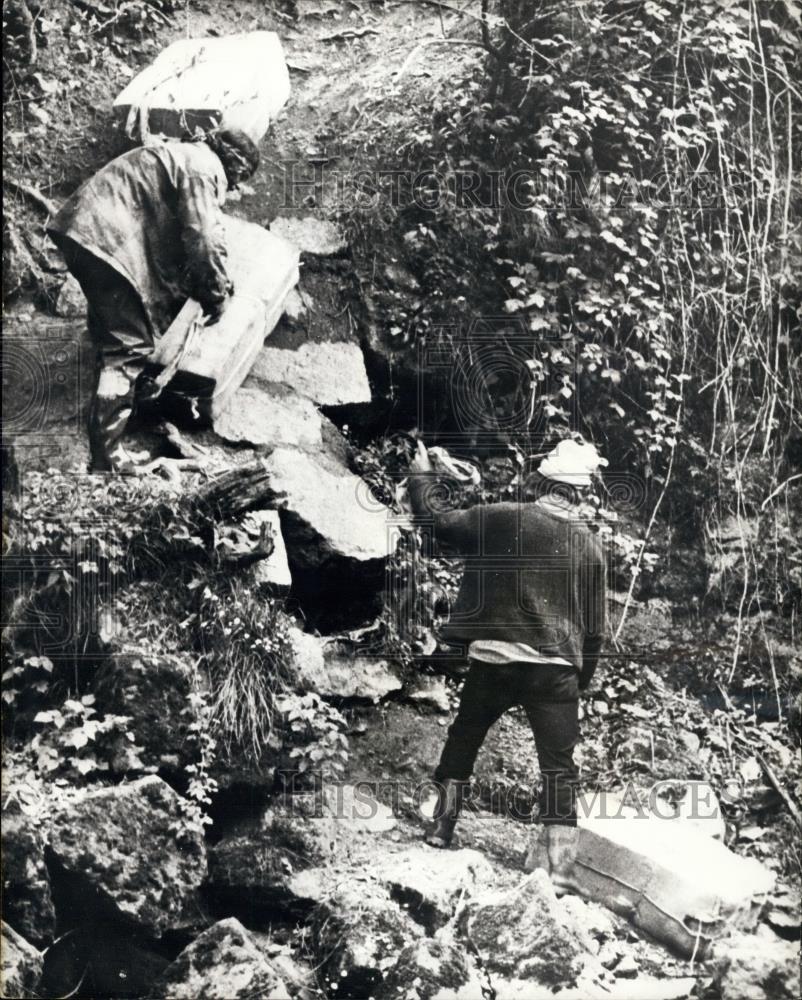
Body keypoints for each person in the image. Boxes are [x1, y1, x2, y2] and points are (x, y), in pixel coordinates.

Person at [407, 437, 607, 884]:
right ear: (583, 492)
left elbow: (437, 523)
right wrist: (582, 681)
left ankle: (441, 828)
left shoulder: (502, 518)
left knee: (464, 740)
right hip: (556, 674)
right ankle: (559, 871)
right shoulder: (591, 549)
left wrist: (421, 475)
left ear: (542, 482)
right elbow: (594, 633)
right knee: (560, 769)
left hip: (494, 661)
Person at [47, 129, 260, 474]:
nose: (230, 190)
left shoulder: (179, 154)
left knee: (111, 328)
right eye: (234, 184)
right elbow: (204, 239)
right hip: (107, 240)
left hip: (83, 230)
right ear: (235, 166)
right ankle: (108, 460)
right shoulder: (204, 169)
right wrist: (216, 294)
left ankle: (102, 432)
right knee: (129, 347)